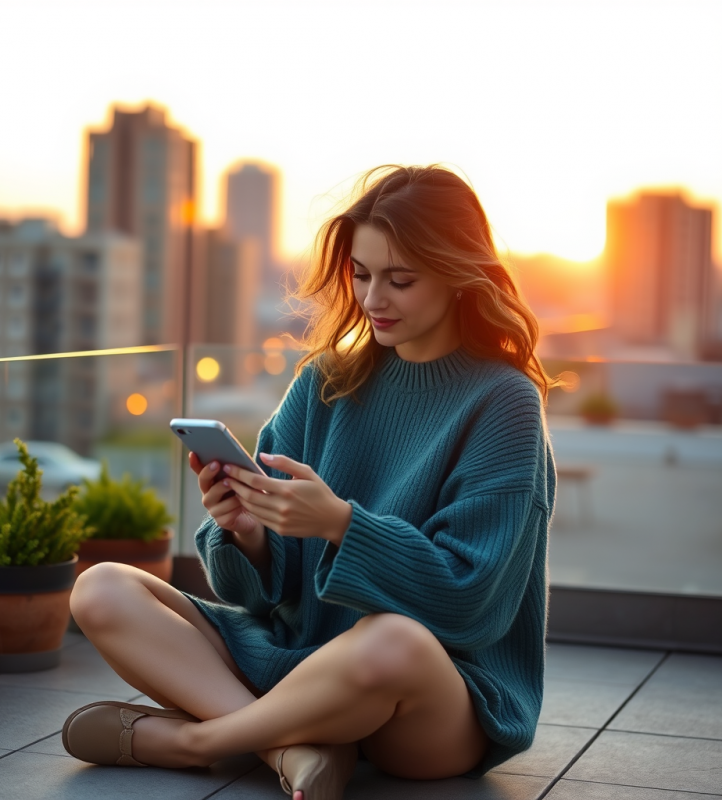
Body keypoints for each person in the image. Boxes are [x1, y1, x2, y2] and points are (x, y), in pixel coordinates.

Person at [63, 164, 558, 800]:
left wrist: (339, 525)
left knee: (393, 641)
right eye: (361, 274)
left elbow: (469, 604)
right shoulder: (325, 382)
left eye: (400, 279)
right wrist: (247, 536)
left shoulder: (505, 402)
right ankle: (290, 750)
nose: (373, 298)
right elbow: (259, 599)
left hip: (429, 701)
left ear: (460, 276)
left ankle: (196, 742)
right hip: (300, 661)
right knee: (101, 589)